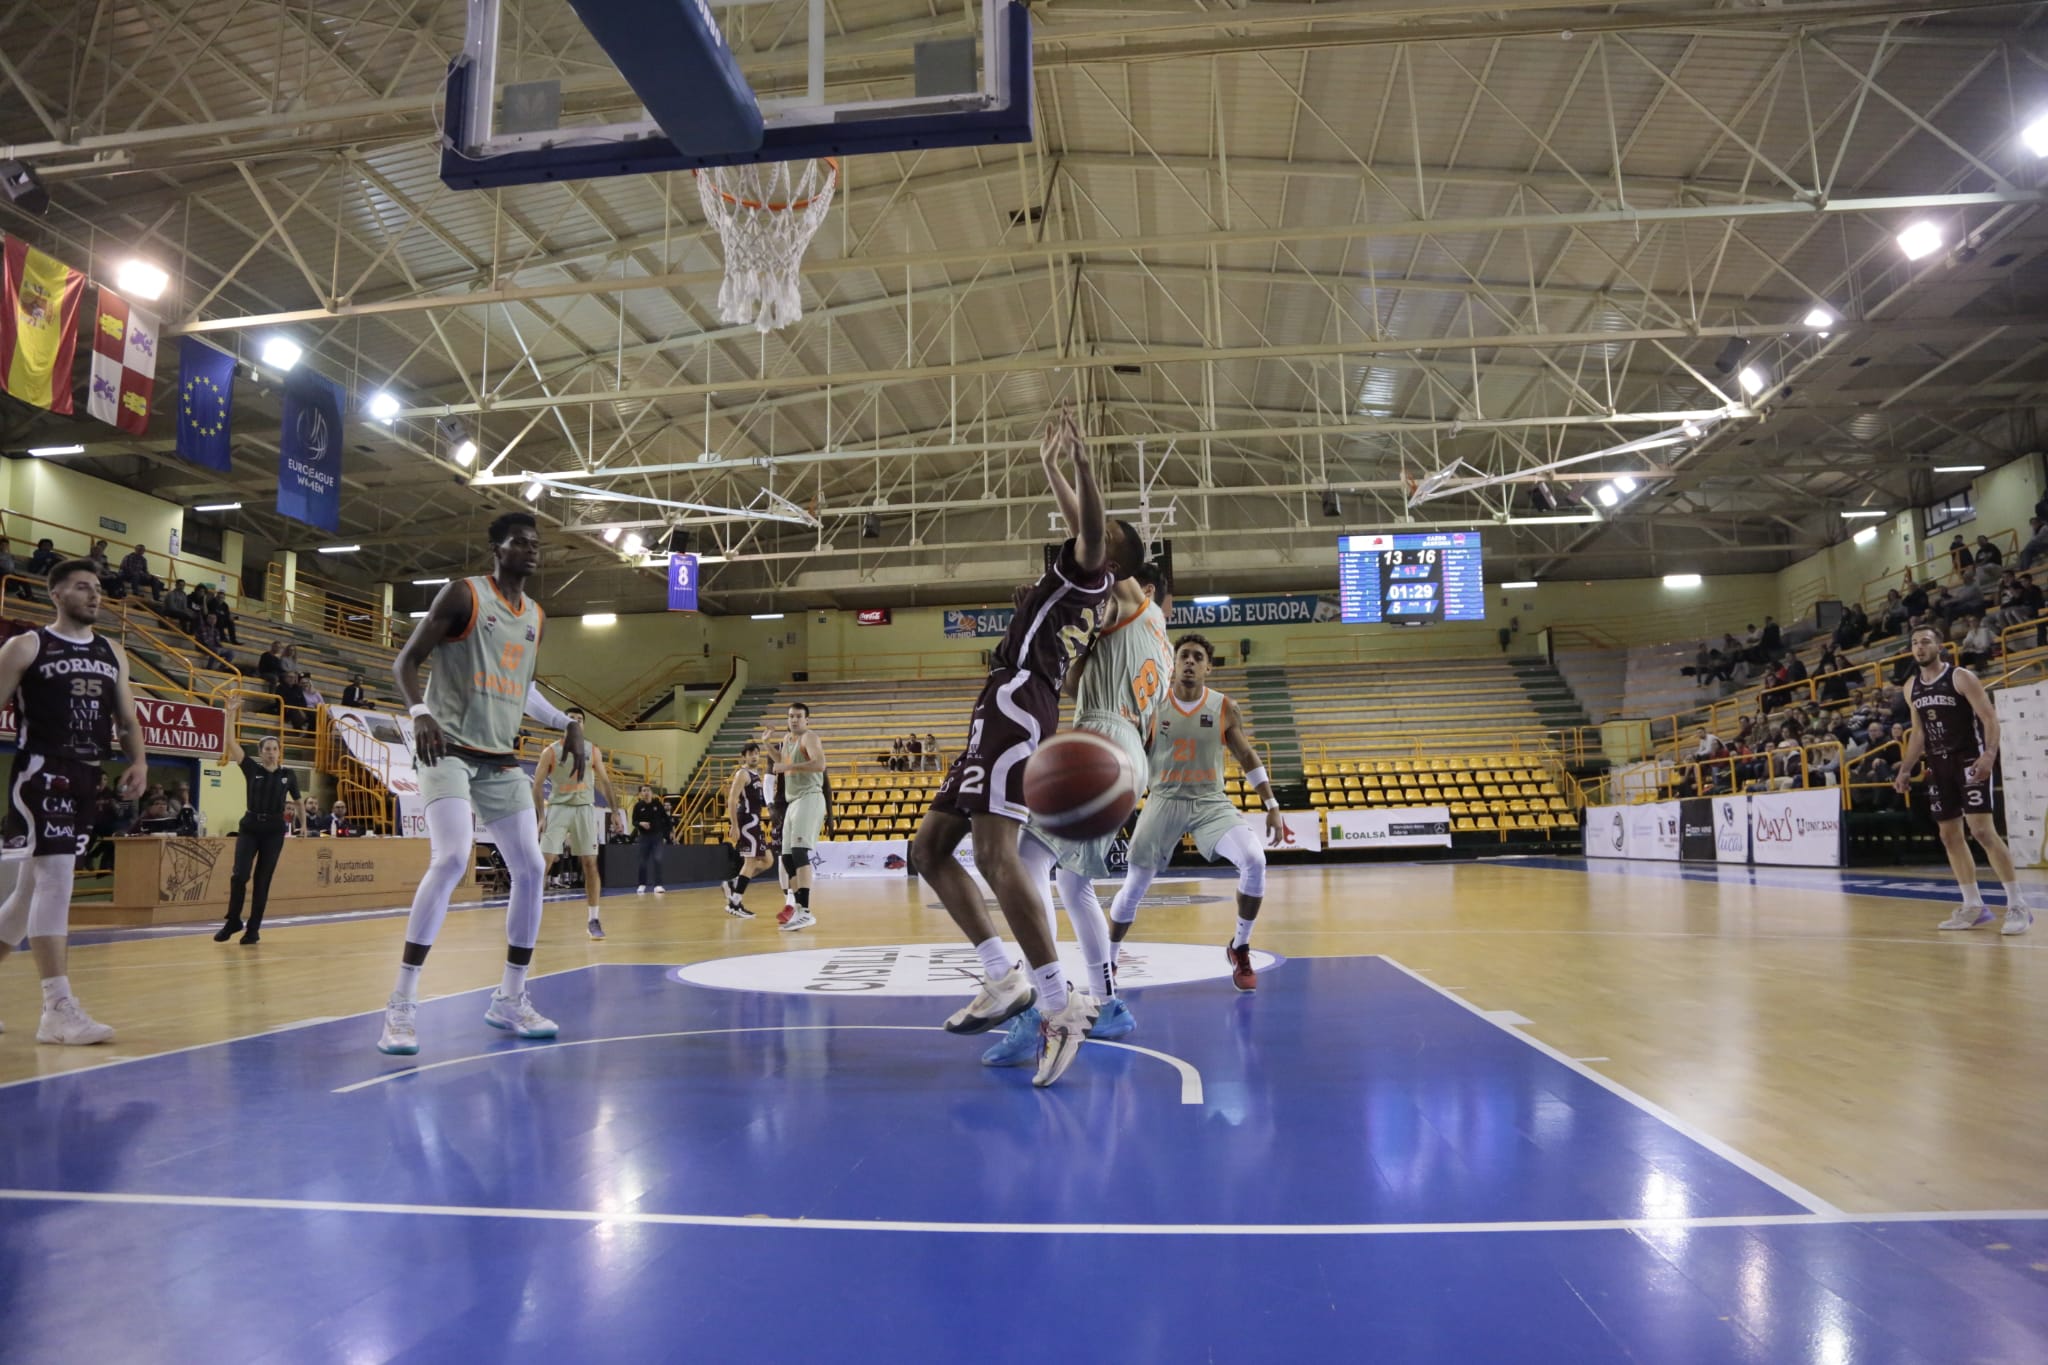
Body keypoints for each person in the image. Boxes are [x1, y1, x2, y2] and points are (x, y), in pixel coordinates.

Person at [910, 403, 1147, 1089]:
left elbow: (1093, 528)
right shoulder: (1076, 585)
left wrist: (1077, 462)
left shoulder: (1089, 572)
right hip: (1004, 702)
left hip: (1018, 704)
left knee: (994, 853)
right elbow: (1086, 530)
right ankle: (1003, 979)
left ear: (1109, 553)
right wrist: (1048, 465)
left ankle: (1058, 1001)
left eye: (1101, 535)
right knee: (926, 849)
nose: (1083, 529)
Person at [375, 511, 586, 1056]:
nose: (532, 550)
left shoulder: (536, 615)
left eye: (537, 543)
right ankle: (401, 1003)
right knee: (450, 859)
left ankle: (509, 999)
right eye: (520, 542)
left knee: (533, 867)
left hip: (497, 759)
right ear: (496, 548)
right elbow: (406, 662)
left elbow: (524, 686)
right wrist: (418, 710)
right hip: (444, 748)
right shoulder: (464, 596)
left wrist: (567, 722)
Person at [979, 558, 1173, 1067]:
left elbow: (1108, 562)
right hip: (1125, 756)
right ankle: (1108, 1005)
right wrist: (1042, 618)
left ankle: (1046, 1006)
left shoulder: (1142, 612)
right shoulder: (1139, 646)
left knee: (1023, 865)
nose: (1095, 604)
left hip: (1103, 741)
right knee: (1072, 884)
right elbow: (1073, 682)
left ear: (1146, 590)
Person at [0, 558, 148, 1043]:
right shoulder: (26, 646)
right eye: (83, 587)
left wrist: (140, 762)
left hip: (87, 773)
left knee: (27, 893)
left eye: (98, 588)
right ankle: (57, 1009)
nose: (95, 595)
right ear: (56, 594)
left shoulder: (113, 652)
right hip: (42, 771)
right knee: (56, 880)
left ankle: (56, 1007)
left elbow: (127, 720)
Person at [1108, 633, 1284, 992]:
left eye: (1197, 657)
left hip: (1209, 802)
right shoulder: (1153, 705)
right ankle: (1109, 957)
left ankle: (1240, 946)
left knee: (1254, 861)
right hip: (1163, 799)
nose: (1189, 661)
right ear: (1173, 664)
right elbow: (1131, 758)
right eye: (1184, 655)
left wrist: (1272, 804)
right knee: (1135, 885)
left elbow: (1247, 756)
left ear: (1208, 668)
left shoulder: (1223, 707)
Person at [1895, 623, 2033, 934]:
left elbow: (1989, 717)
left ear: (1940, 646)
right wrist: (1905, 768)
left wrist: (1989, 755)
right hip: (1938, 764)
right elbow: (1918, 733)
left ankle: (2017, 903)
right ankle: (1973, 905)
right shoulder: (1911, 687)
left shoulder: (1960, 677)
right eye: (1915, 642)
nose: (1919, 647)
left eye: (1926, 642)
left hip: (1969, 760)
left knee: (1982, 831)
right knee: (1948, 836)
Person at [213, 697, 301, 944]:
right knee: (239, 875)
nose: (271, 752)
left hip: (274, 830)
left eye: (274, 748)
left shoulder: (288, 774)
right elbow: (230, 742)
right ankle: (233, 921)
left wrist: (302, 825)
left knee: (263, 881)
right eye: (267, 749)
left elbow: (298, 801)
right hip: (250, 826)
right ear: (260, 753)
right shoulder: (252, 768)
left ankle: (253, 929)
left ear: (279, 752)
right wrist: (230, 714)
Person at [533, 706, 617, 941]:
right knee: (544, 862)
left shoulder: (592, 750)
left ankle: (593, 919)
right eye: (571, 719)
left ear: (584, 726)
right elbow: (537, 785)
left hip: (584, 809)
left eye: (580, 719)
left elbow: (606, 782)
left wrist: (616, 812)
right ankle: (530, 915)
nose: (576, 722)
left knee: (590, 864)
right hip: (558, 808)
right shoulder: (551, 751)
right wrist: (541, 816)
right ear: (562, 723)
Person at [769, 702, 828, 932]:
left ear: (807, 720)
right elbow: (782, 761)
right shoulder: (787, 739)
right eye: (791, 716)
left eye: (798, 716)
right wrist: (767, 744)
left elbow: (820, 764)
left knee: (799, 851)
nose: (794, 720)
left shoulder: (809, 738)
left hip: (809, 797)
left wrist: (788, 767)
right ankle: (797, 908)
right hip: (793, 801)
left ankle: (806, 911)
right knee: (786, 857)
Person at [720, 746, 775, 916]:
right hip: (746, 821)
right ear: (743, 756)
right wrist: (734, 825)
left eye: (757, 754)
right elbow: (732, 800)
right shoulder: (742, 774)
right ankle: (735, 903)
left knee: (768, 861)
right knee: (750, 862)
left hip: (755, 821)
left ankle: (734, 882)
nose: (755, 757)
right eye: (751, 754)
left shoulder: (755, 774)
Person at [632, 782, 671, 897]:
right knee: (642, 861)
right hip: (644, 837)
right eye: (644, 790)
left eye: (648, 790)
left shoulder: (658, 805)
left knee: (658, 859)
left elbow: (666, 819)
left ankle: (658, 885)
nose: (646, 792)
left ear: (652, 793)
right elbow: (634, 821)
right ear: (640, 793)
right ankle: (642, 884)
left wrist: (668, 833)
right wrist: (640, 824)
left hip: (657, 836)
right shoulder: (638, 806)